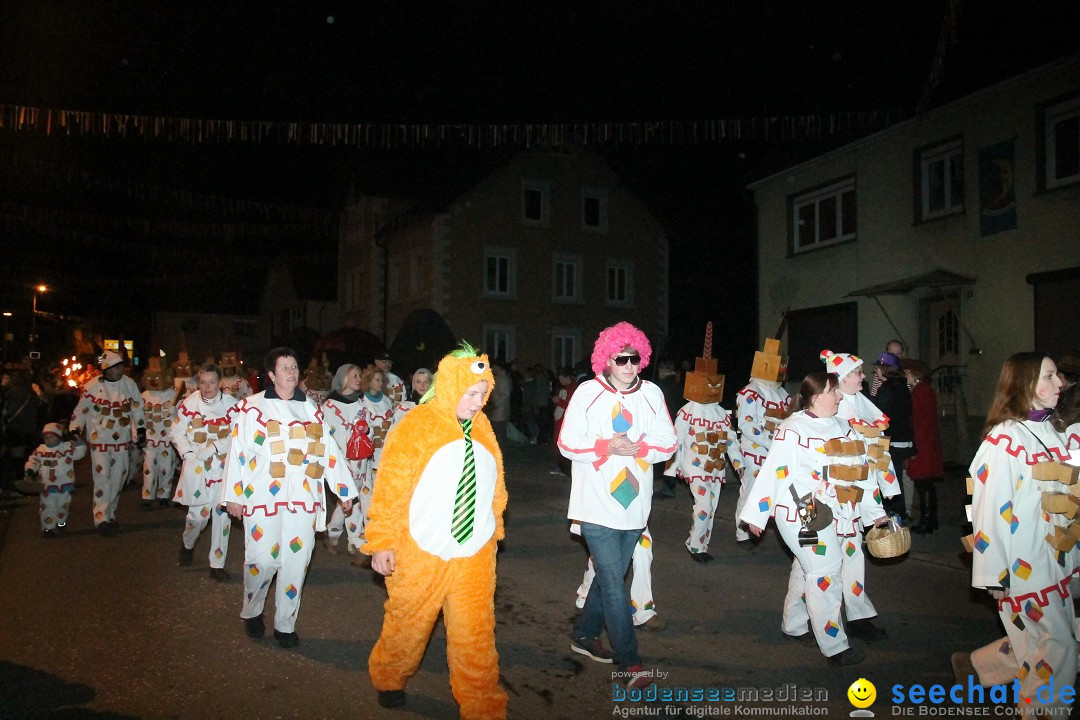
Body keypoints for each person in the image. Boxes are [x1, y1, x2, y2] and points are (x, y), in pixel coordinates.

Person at [363, 342, 508, 718]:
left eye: (482, 393)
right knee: (407, 623)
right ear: (451, 387)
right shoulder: (417, 425)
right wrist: (381, 542)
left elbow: (496, 482)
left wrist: (495, 527)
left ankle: (482, 702)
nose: (477, 402)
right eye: (470, 393)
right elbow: (391, 488)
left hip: (474, 550)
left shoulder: (485, 428)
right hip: (420, 549)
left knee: (476, 634)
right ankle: (390, 674)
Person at [952, 353, 1077, 715]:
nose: (1060, 384)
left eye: (1059, 377)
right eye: (1050, 377)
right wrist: (994, 572)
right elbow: (987, 511)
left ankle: (978, 668)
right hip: (1024, 565)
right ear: (1025, 385)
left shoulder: (1059, 429)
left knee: (1045, 639)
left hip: (1058, 560)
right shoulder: (1005, 441)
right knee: (1058, 647)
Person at [557, 321, 677, 690]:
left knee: (611, 576)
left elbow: (668, 443)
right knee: (612, 581)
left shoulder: (653, 394)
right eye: (620, 359)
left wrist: (639, 448)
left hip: (635, 506)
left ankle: (584, 634)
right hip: (594, 504)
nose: (628, 365)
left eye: (634, 358)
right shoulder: (586, 393)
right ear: (605, 360)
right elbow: (566, 443)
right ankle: (630, 662)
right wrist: (605, 446)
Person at [739, 371, 887, 666]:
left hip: (841, 514)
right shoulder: (793, 430)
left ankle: (794, 625)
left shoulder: (846, 427)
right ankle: (835, 645)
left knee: (807, 568)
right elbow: (775, 472)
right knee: (826, 573)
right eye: (834, 391)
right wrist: (757, 514)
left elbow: (863, 473)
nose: (840, 396)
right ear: (817, 396)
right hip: (801, 515)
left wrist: (876, 513)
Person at [221, 347, 357, 648]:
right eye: (284, 367)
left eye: (294, 366)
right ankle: (253, 609)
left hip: (303, 498)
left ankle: (285, 624)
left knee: (297, 562)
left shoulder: (311, 409)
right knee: (262, 560)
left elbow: (330, 450)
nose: (291, 371)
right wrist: (234, 495)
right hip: (262, 496)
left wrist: (343, 490)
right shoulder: (251, 408)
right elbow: (238, 451)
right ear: (271, 375)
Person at [665, 323, 745, 561]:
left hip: (715, 468)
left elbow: (731, 441)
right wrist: (671, 469)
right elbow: (676, 441)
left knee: (711, 507)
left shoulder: (721, 413)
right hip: (695, 466)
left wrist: (741, 467)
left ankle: (699, 543)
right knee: (704, 507)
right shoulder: (687, 411)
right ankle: (696, 547)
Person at [69, 351, 146, 537]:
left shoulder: (129, 385)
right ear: (107, 369)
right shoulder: (92, 387)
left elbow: (137, 408)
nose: (120, 370)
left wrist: (141, 429)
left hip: (122, 441)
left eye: (121, 366)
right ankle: (101, 518)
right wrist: (74, 428)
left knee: (118, 478)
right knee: (103, 479)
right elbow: (81, 410)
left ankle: (110, 514)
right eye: (116, 367)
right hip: (100, 440)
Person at [172, 363, 237, 581]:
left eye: (212, 382)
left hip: (223, 469)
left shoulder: (232, 405)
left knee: (222, 516)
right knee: (197, 518)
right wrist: (188, 453)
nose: (207, 387)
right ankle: (188, 543)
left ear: (220, 383)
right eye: (202, 382)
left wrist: (217, 447)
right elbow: (177, 431)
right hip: (197, 468)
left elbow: (239, 434)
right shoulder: (189, 404)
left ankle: (217, 564)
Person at [735, 339, 792, 544]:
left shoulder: (782, 392)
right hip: (755, 450)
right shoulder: (750, 392)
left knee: (775, 489)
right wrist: (771, 442)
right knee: (751, 490)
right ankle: (743, 532)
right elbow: (748, 425)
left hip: (776, 449)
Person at [322, 364, 368, 557]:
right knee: (351, 496)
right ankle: (355, 542)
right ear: (343, 379)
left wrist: (366, 431)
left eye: (359, 375)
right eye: (354, 375)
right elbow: (325, 434)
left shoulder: (361, 403)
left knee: (351, 496)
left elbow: (369, 428)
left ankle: (332, 530)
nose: (359, 379)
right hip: (340, 459)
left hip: (360, 459)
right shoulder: (330, 405)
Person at [870, 352, 915, 521]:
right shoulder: (903, 386)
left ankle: (896, 516)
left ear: (885, 369)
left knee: (891, 480)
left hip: (892, 440)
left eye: (877, 368)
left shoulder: (888, 388)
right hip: (903, 439)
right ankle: (899, 514)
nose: (876, 371)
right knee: (896, 478)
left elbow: (878, 414)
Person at [901, 359, 944, 533]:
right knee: (925, 484)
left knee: (923, 483)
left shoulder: (921, 391)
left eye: (906, 373)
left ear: (912, 373)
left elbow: (920, 421)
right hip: (925, 442)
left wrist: (915, 447)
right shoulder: (923, 390)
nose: (905, 376)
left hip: (922, 443)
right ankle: (930, 519)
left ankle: (927, 521)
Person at [24, 422, 86, 537]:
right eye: (46, 437)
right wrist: (30, 468)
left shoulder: (66, 448)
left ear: (58, 437)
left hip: (64, 484)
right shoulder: (41, 450)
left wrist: (77, 440)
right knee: (48, 507)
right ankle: (48, 528)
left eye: (51, 437)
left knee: (63, 506)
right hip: (47, 485)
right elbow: (33, 460)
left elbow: (80, 453)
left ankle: (61, 523)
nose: (48, 440)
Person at [139, 357, 178, 510]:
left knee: (166, 468)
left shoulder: (173, 395)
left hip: (166, 439)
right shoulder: (144, 396)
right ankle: (147, 496)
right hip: (149, 439)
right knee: (148, 468)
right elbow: (138, 417)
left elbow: (180, 416)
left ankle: (164, 495)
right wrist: (138, 435)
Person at [549, 367, 578, 476]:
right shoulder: (567, 387)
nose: (560, 381)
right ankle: (561, 467)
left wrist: (559, 401)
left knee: (562, 443)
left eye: (562, 379)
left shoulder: (572, 388)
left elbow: (570, 405)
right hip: (560, 418)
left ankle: (564, 468)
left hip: (564, 420)